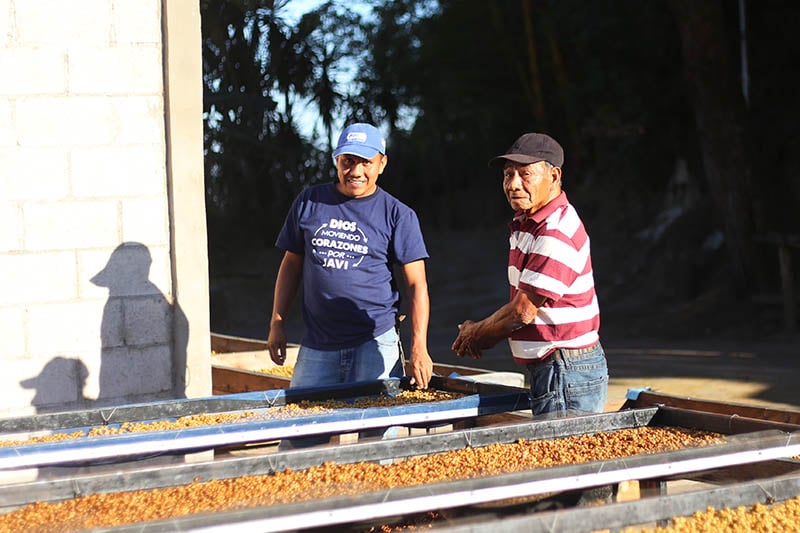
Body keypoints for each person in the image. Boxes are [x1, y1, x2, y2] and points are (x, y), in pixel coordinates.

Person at [267, 122, 434, 398]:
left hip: (376, 342)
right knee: (303, 431)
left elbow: (417, 285)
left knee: (377, 433)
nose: (355, 172)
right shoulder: (310, 201)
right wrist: (277, 323)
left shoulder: (398, 215)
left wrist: (419, 346)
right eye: (348, 162)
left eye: (366, 162)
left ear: (382, 164)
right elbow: (291, 264)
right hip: (318, 344)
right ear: (336, 161)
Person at [451, 132, 607, 416]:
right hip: (556, 366)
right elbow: (519, 305)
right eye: (508, 175)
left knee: (560, 457)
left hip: (565, 369)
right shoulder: (529, 222)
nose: (513, 184)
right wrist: (478, 330)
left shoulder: (554, 230)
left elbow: (522, 312)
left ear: (554, 175)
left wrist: (478, 334)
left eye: (525, 174)